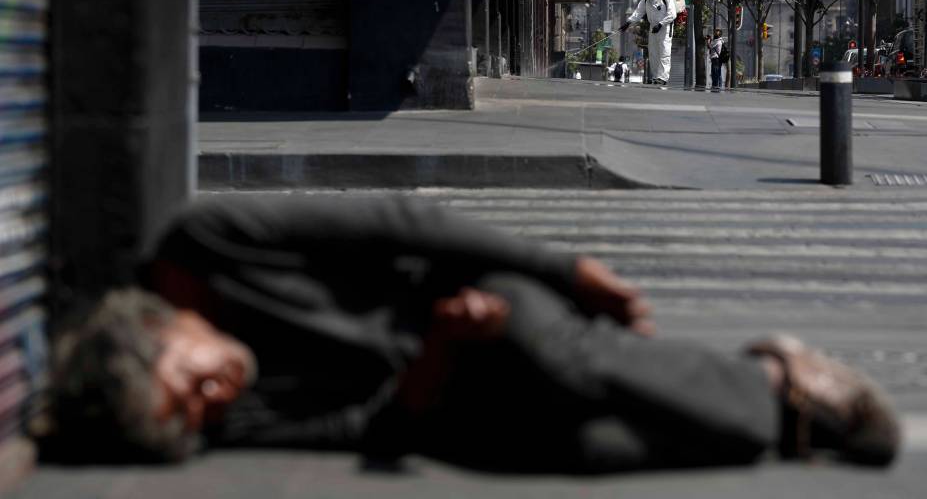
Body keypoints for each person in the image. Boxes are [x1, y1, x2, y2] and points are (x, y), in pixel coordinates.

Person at [43, 196, 900, 471]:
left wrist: (566, 271)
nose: (212, 400)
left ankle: (776, 390)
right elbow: (366, 429)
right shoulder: (224, 418)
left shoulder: (206, 240)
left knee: (552, 354)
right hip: (450, 375)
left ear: (154, 329)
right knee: (592, 445)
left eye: (186, 383)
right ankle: (765, 416)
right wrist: (437, 359)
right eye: (192, 418)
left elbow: (402, 225)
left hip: (484, 299)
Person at [619, 0, 676, 86]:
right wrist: (628, 23)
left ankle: (663, 77)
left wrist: (660, 25)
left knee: (664, 53)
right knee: (653, 53)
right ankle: (656, 77)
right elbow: (638, 13)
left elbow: (672, 14)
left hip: (665, 28)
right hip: (652, 28)